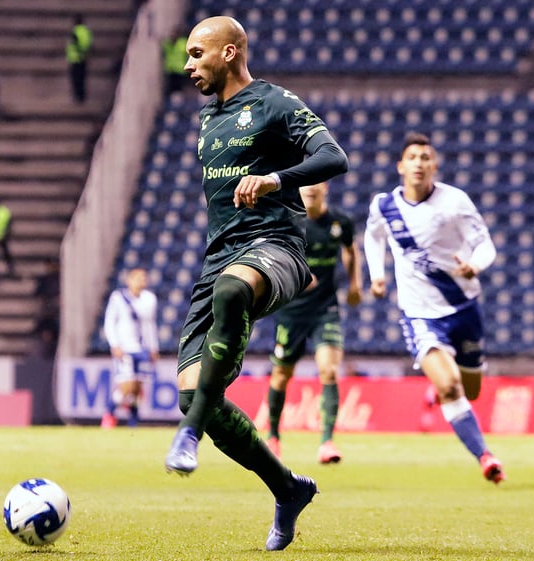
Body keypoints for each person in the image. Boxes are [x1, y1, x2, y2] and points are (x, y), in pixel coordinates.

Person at [162, 16, 349, 552]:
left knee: (231, 292)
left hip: (279, 250)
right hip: (220, 256)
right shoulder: (207, 120)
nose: (188, 65)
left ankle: (188, 436)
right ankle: (288, 489)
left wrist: (275, 178)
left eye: (197, 54)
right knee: (193, 395)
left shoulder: (274, 103)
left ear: (230, 51)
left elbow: (334, 157)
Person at [364, 132, 505, 484]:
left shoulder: (454, 202)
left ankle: (438, 390)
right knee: (452, 387)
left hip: (463, 307)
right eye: (412, 157)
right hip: (419, 313)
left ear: (435, 166)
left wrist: (475, 264)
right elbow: (373, 235)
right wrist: (377, 275)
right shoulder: (384, 206)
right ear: (401, 165)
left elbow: (484, 244)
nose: (419, 163)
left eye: (426, 158)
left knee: (470, 390)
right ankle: (485, 456)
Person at [265, 181, 363, 464]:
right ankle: (272, 437)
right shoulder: (287, 221)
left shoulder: (339, 221)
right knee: (282, 374)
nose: (309, 187)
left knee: (329, 371)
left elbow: (351, 249)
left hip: (325, 308)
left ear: (326, 186)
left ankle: (327, 442)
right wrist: (297, 277)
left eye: (316, 181)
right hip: (291, 311)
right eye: (304, 181)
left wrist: (355, 285)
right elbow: (272, 257)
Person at [100, 268, 159, 428]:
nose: (142, 281)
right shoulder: (118, 298)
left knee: (137, 388)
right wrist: (115, 345)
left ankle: (133, 423)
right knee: (127, 388)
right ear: (129, 281)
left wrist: (154, 347)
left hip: (143, 349)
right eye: (138, 278)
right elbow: (109, 322)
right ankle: (109, 413)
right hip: (125, 348)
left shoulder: (150, 299)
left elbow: (150, 325)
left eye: (144, 278)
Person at [66, 14, 92, 104]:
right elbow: (88, 44)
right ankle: (80, 97)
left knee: (77, 79)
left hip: (77, 59)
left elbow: (79, 45)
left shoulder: (77, 32)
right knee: (81, 79)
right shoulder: (85, 31)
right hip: (81, 59)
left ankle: (79, 98)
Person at [162, 26, 189, 95]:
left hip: (180, 70)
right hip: (170, 69)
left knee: (178, 88)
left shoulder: (183, 43)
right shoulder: (167, 44)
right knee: (170, 87)